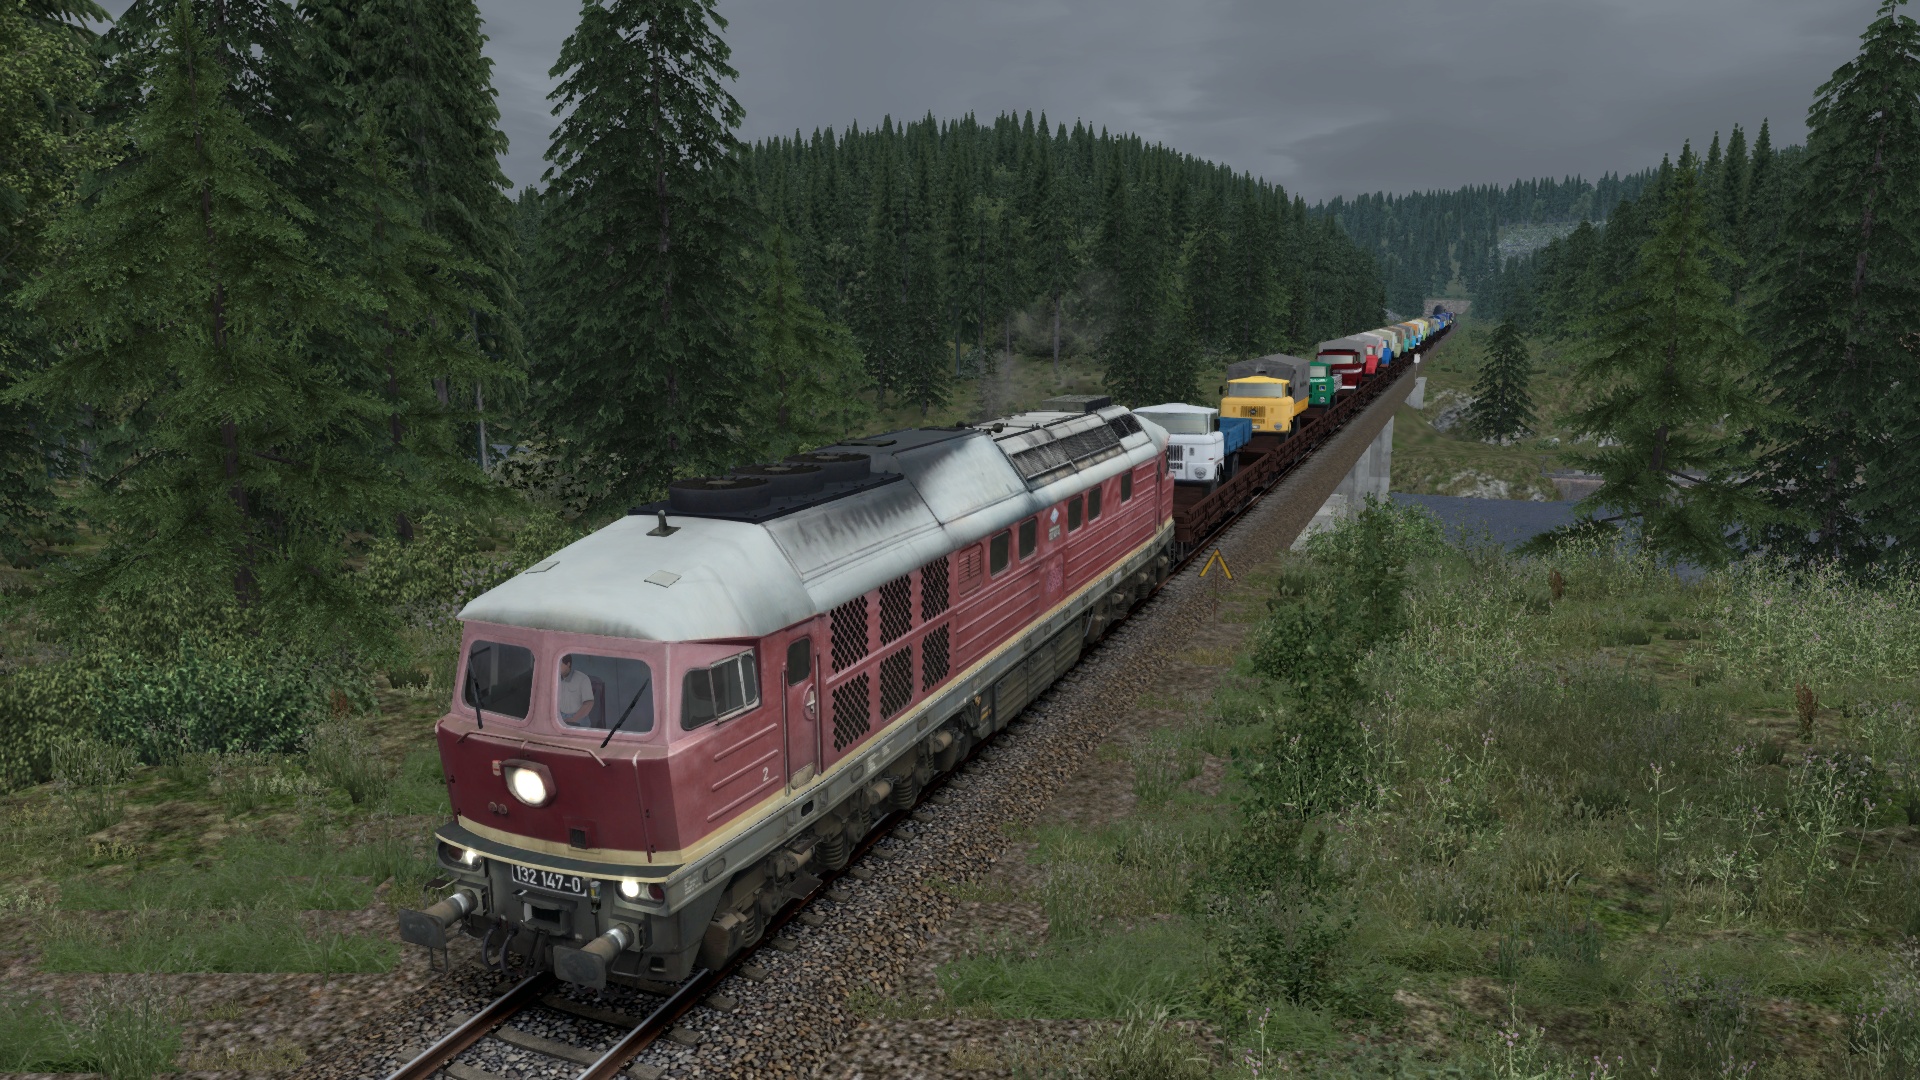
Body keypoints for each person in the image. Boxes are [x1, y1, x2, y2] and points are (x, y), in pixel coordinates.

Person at [557, 655, 595, 726]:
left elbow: (589, 703)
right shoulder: (555, 678)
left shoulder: (582, 679)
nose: (557, 667)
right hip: (560, 719)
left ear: (568, 664)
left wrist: (574, 719)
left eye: (560, 664)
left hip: (579, 720)